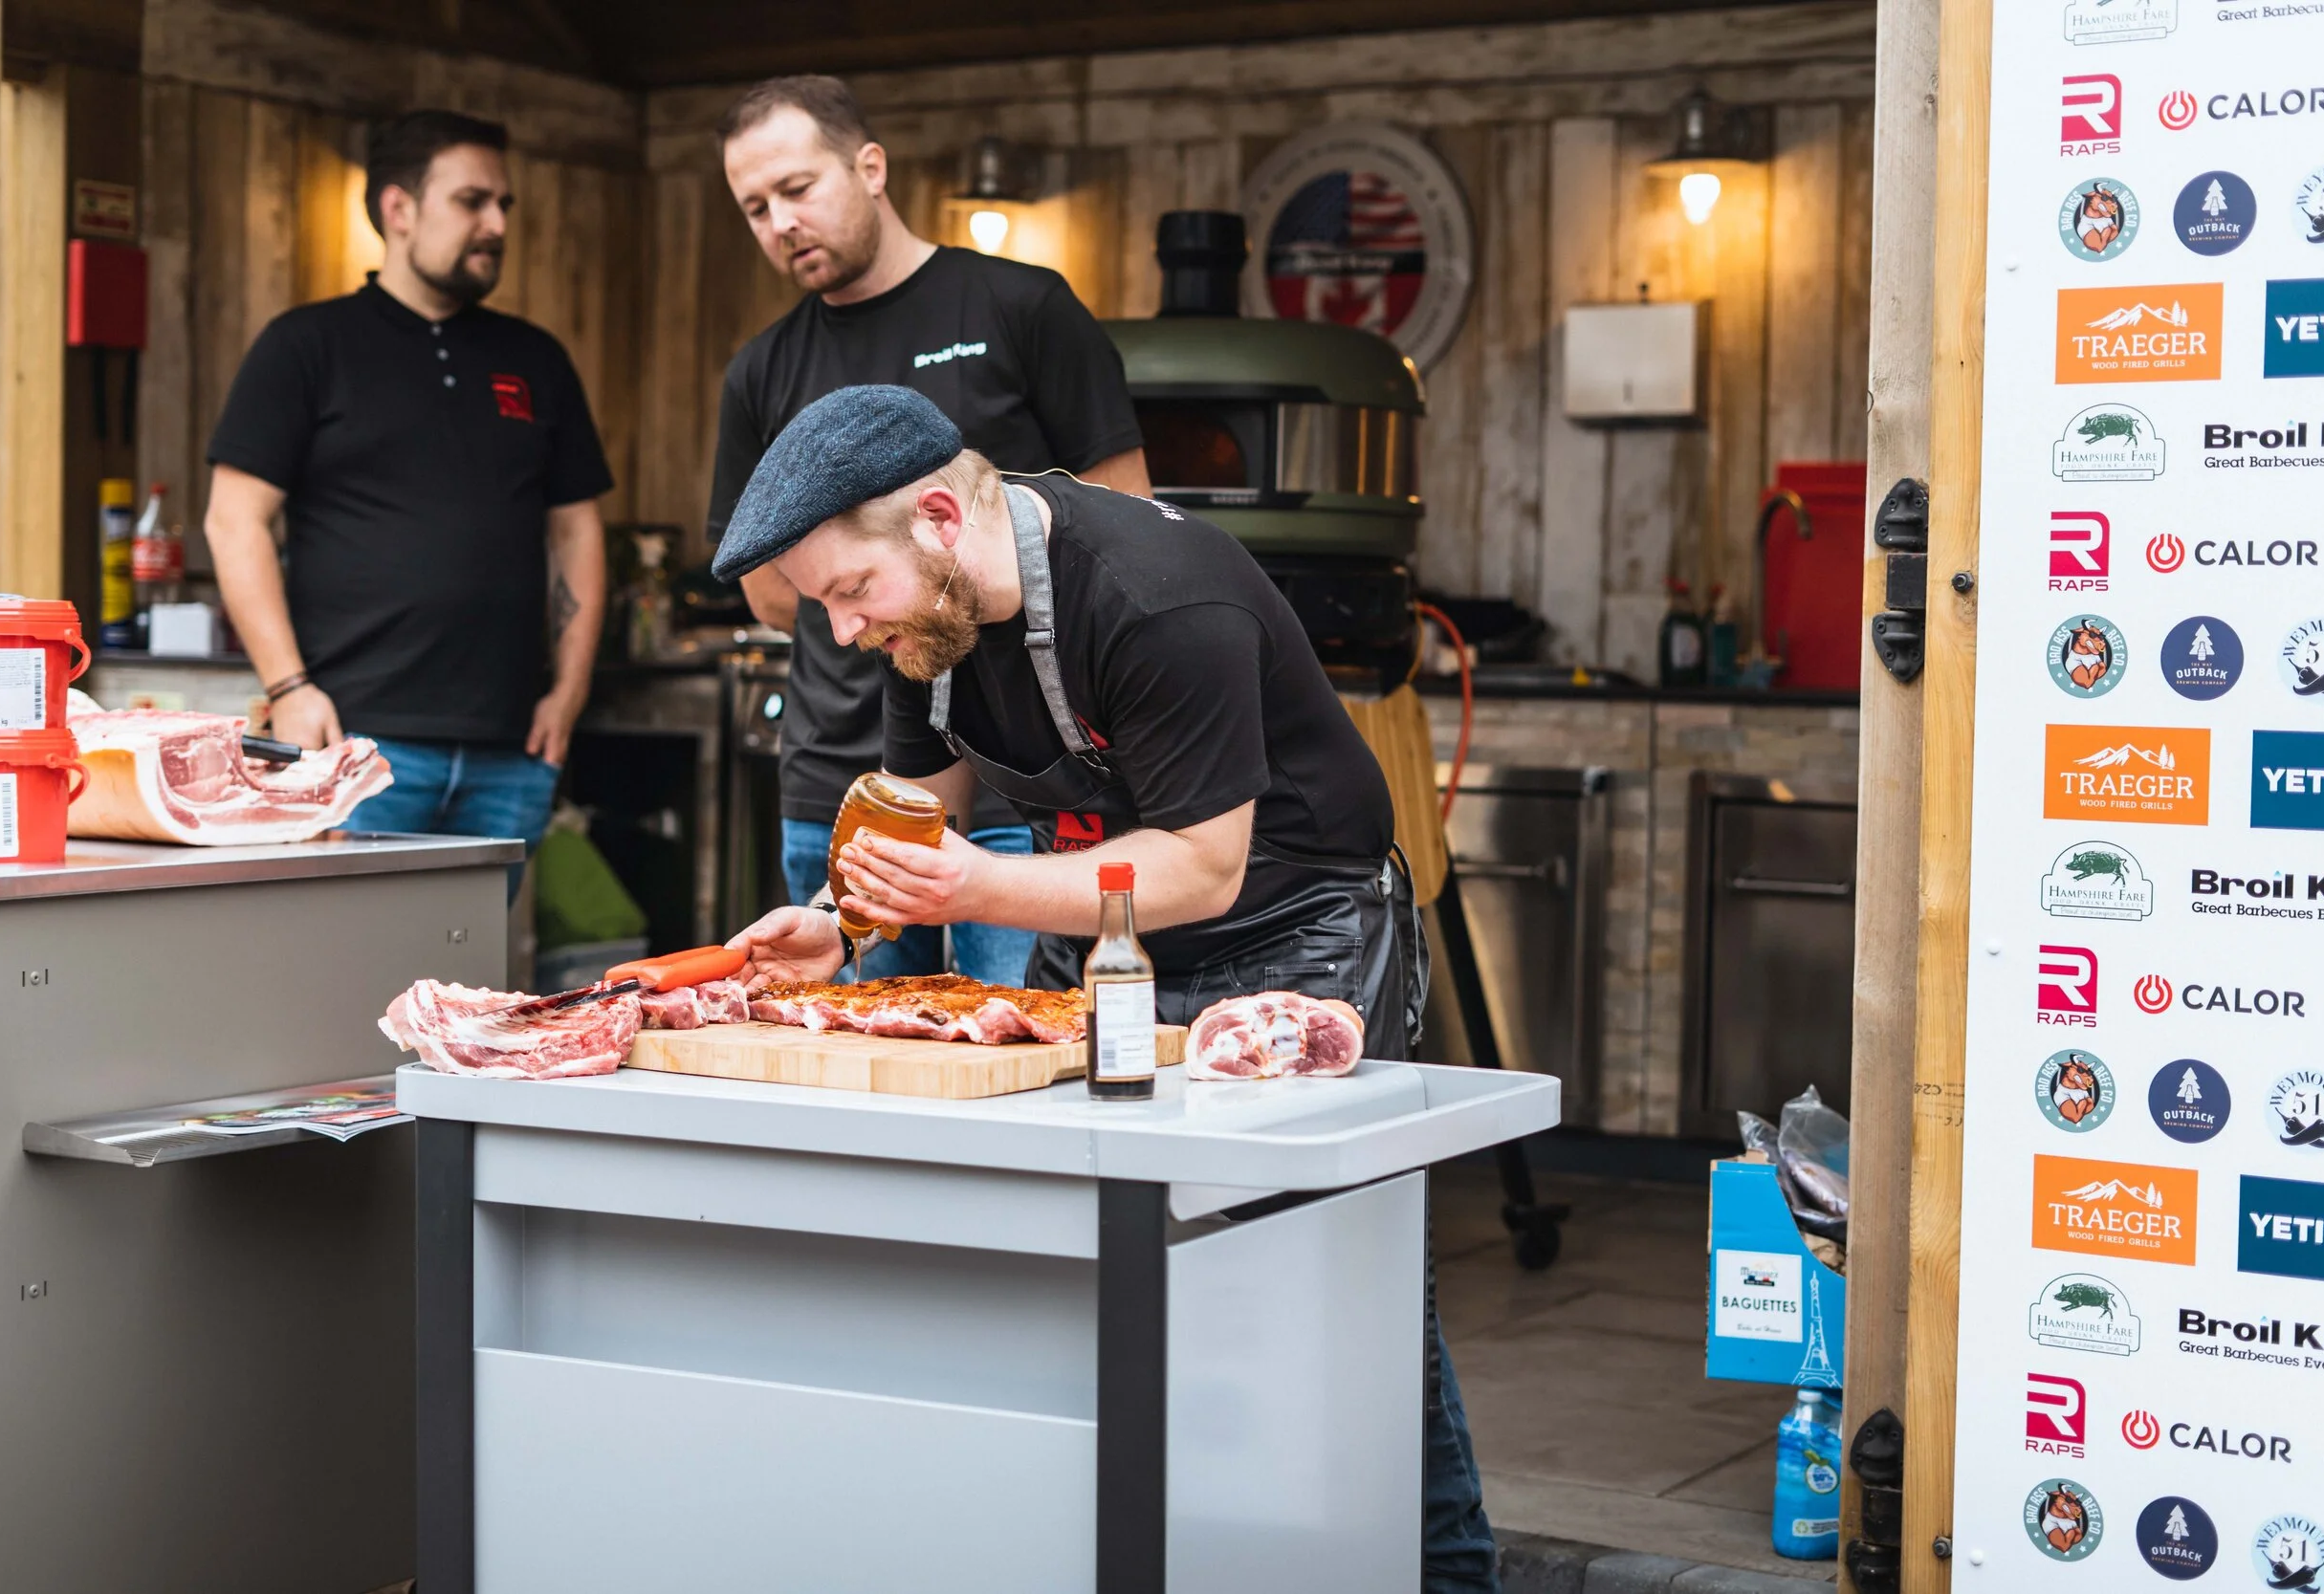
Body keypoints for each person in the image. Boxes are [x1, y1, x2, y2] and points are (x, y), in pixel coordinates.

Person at [716, 385, 1498, 1593]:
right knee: (1077, 1255)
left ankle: (1446, 1579)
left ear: (936, 516)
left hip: (1291, 930)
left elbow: (1200, 863)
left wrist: (975, 889)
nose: (842, 629)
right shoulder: (925, 626)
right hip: (1105, 943)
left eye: (846, 591)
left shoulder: (1150, 595)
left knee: (1334, 1289)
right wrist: (841, 924)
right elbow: (918, 818)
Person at [707, 74, 1149, 985]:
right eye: (754, 207)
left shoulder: (1021, 308)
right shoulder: (760, 371)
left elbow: (1124, 522)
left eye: (797, 189)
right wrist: (881, 604)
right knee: (858, 1076)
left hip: (1028, 785)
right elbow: (765, 588)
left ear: (869, 166)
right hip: (839, 775)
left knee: (1029, 1056)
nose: (779, 222)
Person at [206, 110, 610, 878]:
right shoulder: (305, 346)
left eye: (503, 205)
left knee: (475, 992)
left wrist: (571, 689)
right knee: (344, 978)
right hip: (357, 748)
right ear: (398, 209)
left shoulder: (536, 358)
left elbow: (578, 533)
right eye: (471, 201)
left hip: (512, 752)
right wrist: (287, 686)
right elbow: (234, 522)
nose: (495, 223)